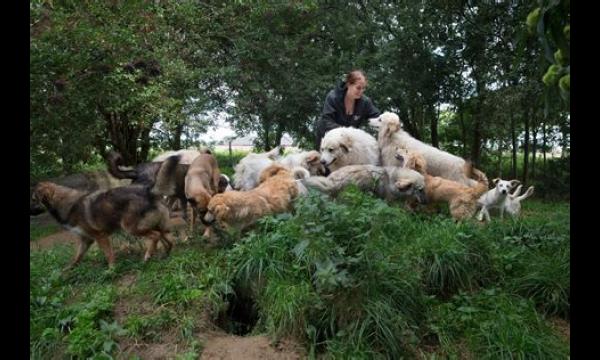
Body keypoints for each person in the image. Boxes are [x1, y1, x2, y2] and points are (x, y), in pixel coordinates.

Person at [315, 69, 381, 150]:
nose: (361, 91)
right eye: (358, 88)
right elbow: (326, 120)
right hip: (327, 139)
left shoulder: (365, 102)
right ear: (349, 84)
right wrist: (348, 132)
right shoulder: (333, 97)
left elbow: (378, 118)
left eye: (363, 88)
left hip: (347, 142)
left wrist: (390, 122)